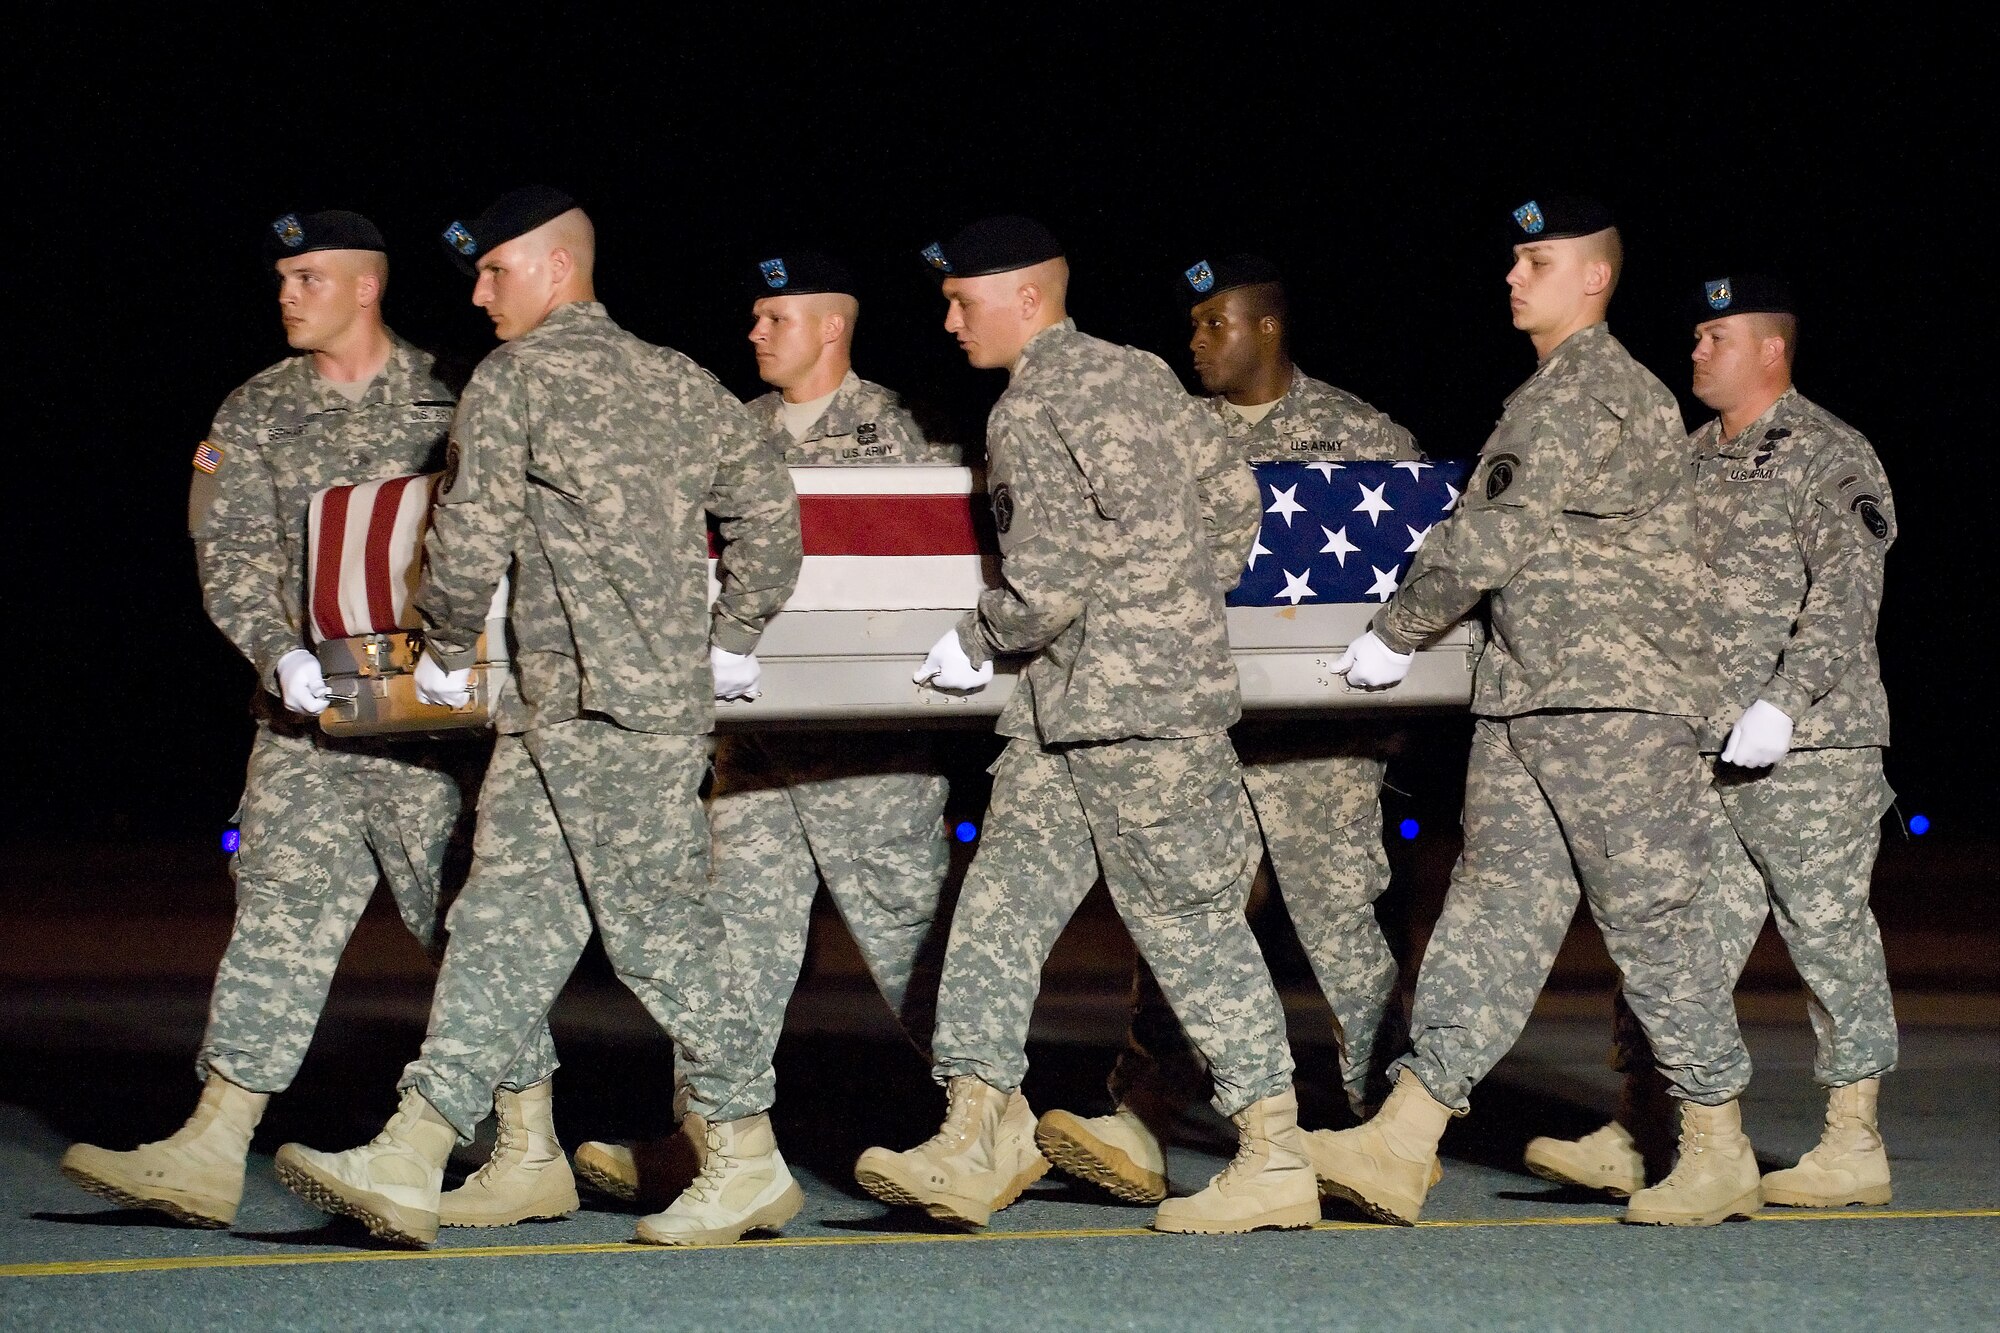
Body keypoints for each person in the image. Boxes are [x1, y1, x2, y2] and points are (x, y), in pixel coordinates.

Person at [271, 187, 804, 1249]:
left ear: (556, 269)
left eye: (494, 271)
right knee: (499, 931)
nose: (476, 295)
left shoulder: (514, 379)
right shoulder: (683, 381)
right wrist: (728, 638)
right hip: (598, 708)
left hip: (600, 711)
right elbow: (772, 522)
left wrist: (436, 647)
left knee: (658, 934)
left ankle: (747, 1157)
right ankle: (415, 1147)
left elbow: (468, 537)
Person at [60, 209, 557, 1231]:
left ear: (366, 285)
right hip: (308, 723)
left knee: (470, 929)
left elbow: (517, 538)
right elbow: (227, 553)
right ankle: (211, 1141)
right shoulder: (252, 410)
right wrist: (272, 649)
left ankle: (527, 1142)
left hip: (437, 729)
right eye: (282, 278)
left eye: (309, 277)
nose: (287, 295)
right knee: (277, 916)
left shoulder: (457, 395)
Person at [853, 215, 1318, 1235]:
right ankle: (979, 1133)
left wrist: (976, 638)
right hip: (1076, 715)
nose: (947, 319)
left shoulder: (1032, 404)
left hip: (1128, 714)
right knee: (997, 914)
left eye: (961, 299)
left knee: (1187, 926)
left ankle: (1275, 1154)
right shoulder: (1145, 375)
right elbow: (1233, 500)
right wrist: (1177, 597)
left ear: (1025, 298)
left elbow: (1048, 576)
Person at [1316, 196, 1760, 1228]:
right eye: (1513, 259)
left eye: (1538, 260)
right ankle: (1405, 1133)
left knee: (1652, 924)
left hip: (1611, 706)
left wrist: (1395, 632)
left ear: (1594, 277)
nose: (1514, 276)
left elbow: (1484, 539)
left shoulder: (1589, 392)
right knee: (1489, 916)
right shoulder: (1548, 392)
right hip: (1531, 696)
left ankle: (1714, 1142)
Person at [572, 250, 960, 1204]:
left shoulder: (890, 435)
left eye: (774, 319)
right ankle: (708, 1139)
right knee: (729, 954)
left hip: (866, 761)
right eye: (753, 317)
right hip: (752, 753)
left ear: (831, 327)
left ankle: (992, 1121)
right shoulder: (731, 431)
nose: (754, 334)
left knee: (922, 957)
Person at [1038, 254, 1423, 1205]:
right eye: (1193, 323)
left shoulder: (1363, 437)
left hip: (1318, 741)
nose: (1197, 339)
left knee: (1340, 926)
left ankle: (1385, 1122)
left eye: (1217, 322)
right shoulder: (1164, 432)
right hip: (1198, 721)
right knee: (1183, 918)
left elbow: (1418, 570)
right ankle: (1145, 1116)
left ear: (1270, 327)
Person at [1524, 274, 1899, 1208]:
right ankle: (1651, 1123)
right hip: (1700, 750)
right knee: (1676, 943)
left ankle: (1853, 1141)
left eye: (1716, 334)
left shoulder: (1828, 452)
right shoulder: (1686, 459)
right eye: (1694, 333)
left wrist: (1784, 701)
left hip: (1813, 748)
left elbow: (1848, 595)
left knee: (1827, 933)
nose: (1696, 348)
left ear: (1771, 348)